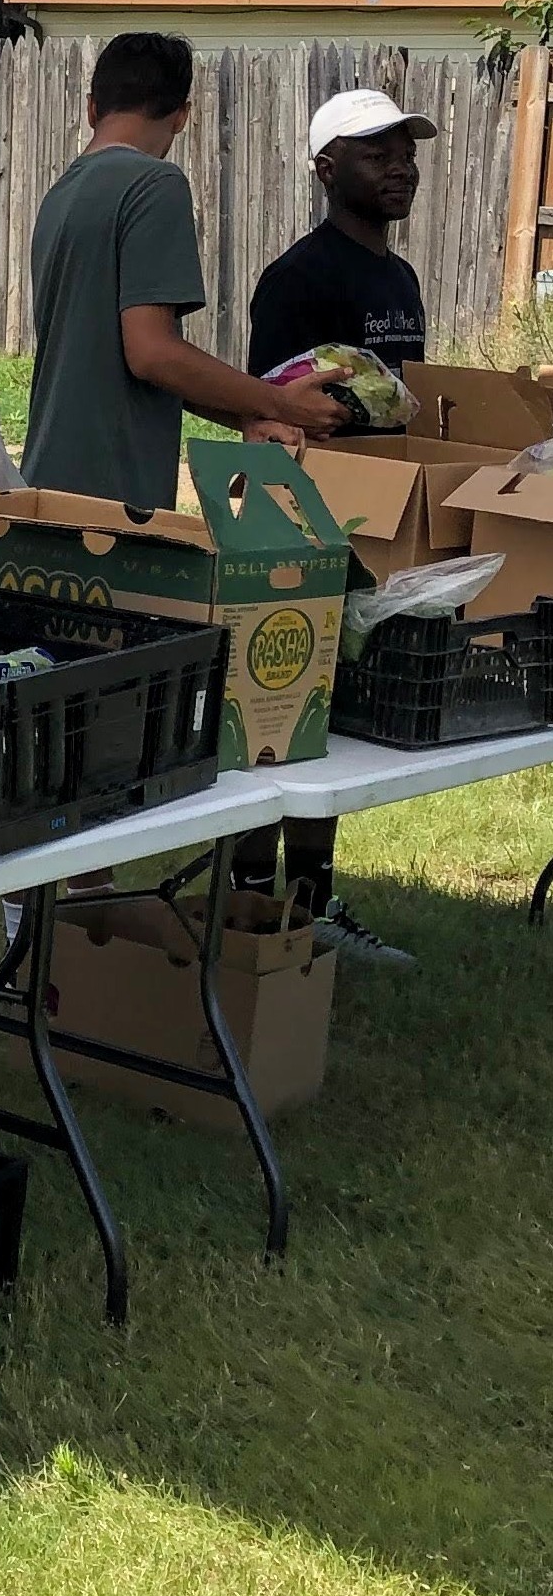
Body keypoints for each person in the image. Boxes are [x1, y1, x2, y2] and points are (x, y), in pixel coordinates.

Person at [231, 87, 438, 969]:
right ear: (323, 169)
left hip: (383, 527)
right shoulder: (298, 277)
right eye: (373, 151)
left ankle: (313, 911)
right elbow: (256, 416)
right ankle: (241, 914)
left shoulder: (398, 278)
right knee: (273, 717)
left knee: (339, 730)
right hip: (298, 525)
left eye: (405, 149)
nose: (399, 164)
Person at [23, 31, 344, 507]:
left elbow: (131, 364)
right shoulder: (155, 183)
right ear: (182, 116)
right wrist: (276, 401)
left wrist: (245, 415)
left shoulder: (61, 194)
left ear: (92, 108)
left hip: (47, 479)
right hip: (114, 496)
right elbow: (152, 353)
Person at [246, 87, 434, 383]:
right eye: (378, 158)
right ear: (327, 171)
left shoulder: (404, 277)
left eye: (408, 156)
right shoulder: (296, 280)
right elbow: (271, 409)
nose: (403, 170)